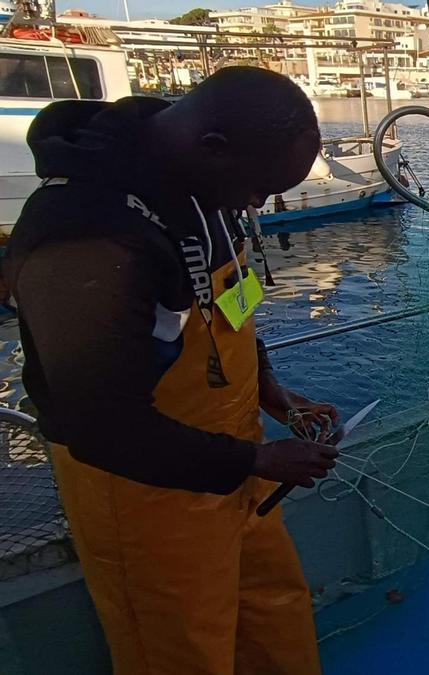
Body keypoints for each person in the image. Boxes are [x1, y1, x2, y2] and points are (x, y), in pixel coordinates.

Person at [3, 67, 340, 674]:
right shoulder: (86, 233)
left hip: (234, 461)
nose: (258, 205)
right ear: (214, 147)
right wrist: (256, 462)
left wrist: (268, 388)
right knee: (182, 652)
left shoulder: (204, 180)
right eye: (259, 188)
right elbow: (101, 428)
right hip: (146, 493)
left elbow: (228, 303)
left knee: (275, 612)